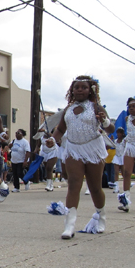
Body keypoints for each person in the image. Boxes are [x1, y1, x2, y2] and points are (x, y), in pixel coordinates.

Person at [45, 76, 115, 239]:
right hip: (73, 149)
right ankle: (69, 226)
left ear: (90, 90)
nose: (80, 90)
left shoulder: (96, 107)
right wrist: (52, 140)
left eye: (84, 87)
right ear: (72, 90)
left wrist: (104, 121)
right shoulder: (68, 109)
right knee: (74, 184)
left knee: (94, 188)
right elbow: (60, 129)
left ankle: (100, 216)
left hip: (92, 149)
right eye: (77, 87)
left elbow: (110, 127)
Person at [111, 127, 126, 194]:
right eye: (117, 133)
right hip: (117, 157)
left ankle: (126, 186)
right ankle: (116, 188)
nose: (118, 134)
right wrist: (110, 140)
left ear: (122, 134)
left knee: (123, 173)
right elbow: (109, 146)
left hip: (123, 157)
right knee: (116, 172)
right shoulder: (115, 141)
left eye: (120, 133)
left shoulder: (124, 141)